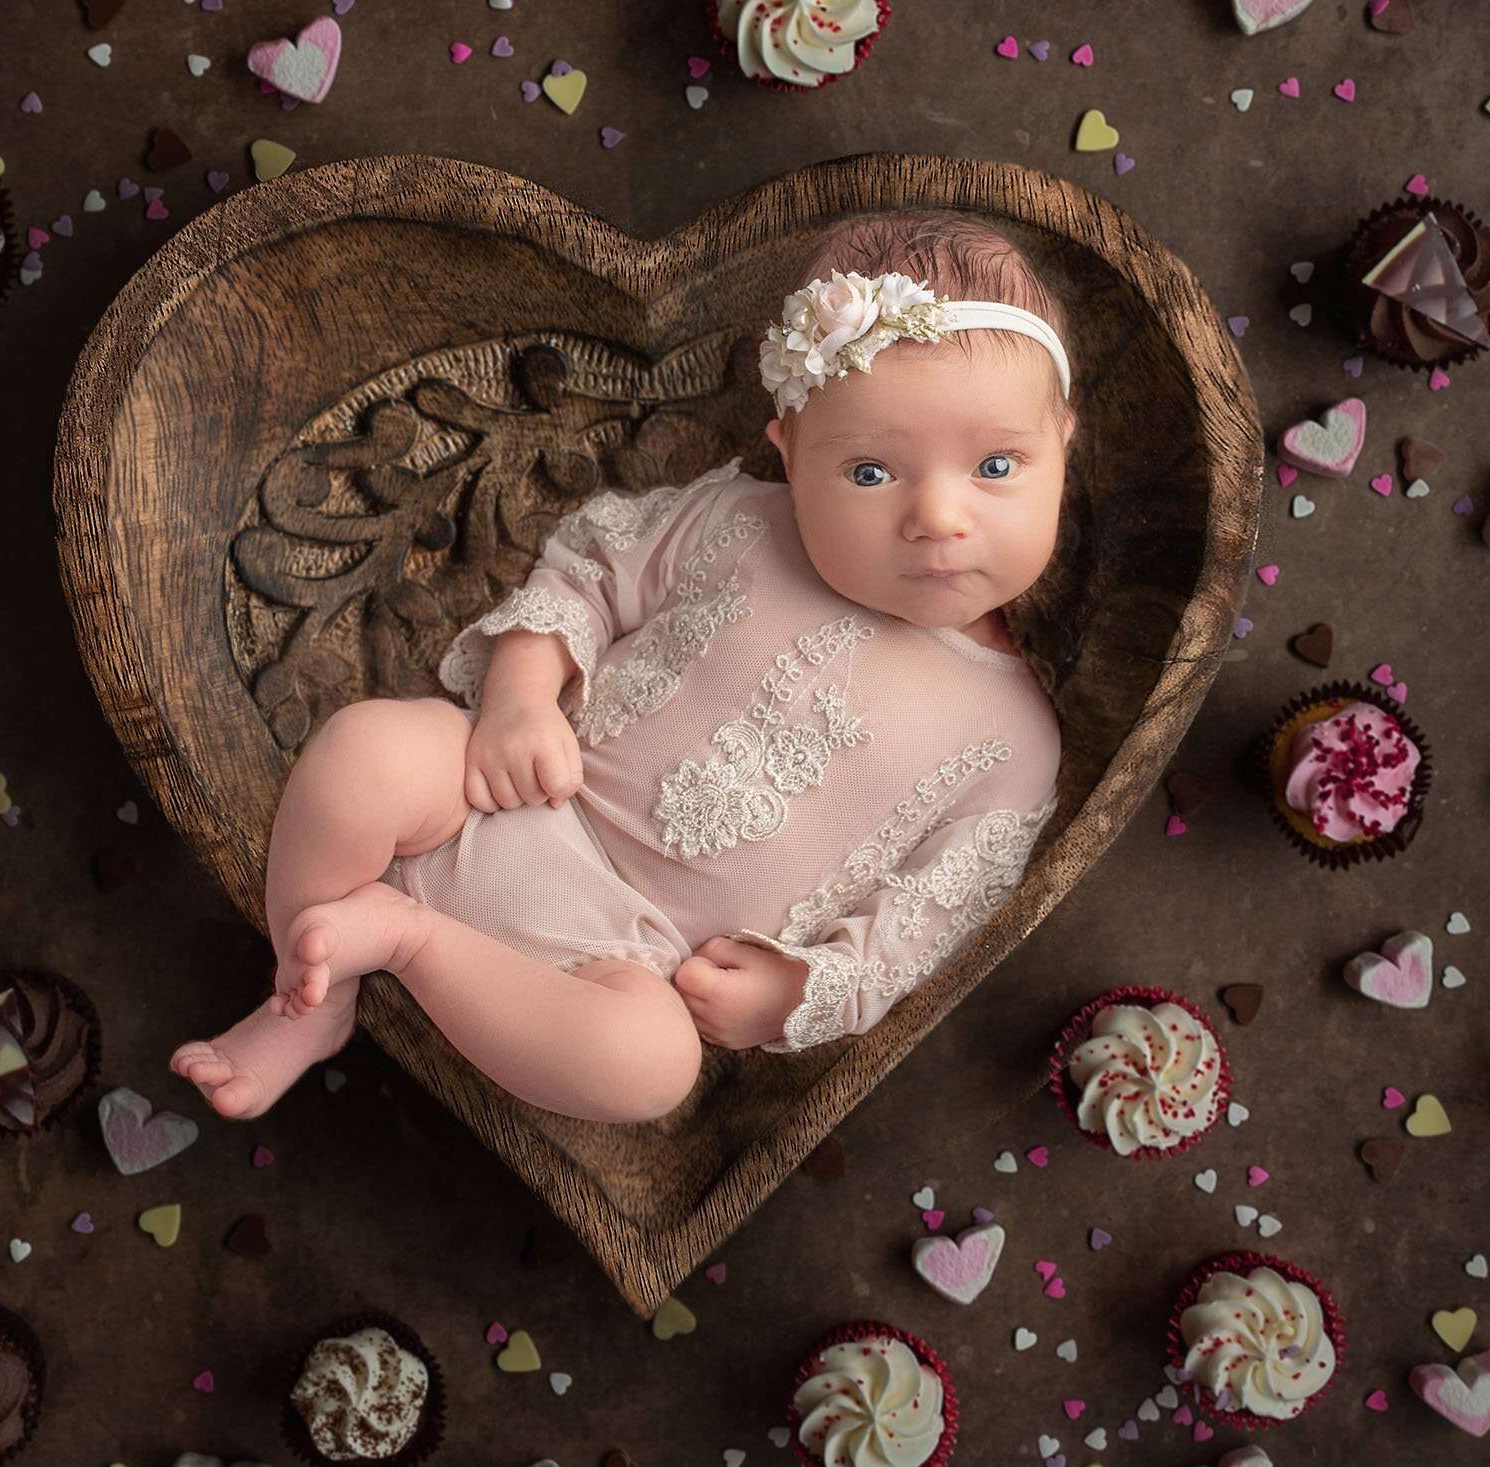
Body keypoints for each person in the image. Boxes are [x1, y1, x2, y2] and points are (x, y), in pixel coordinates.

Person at [171, 209, 1076, 1125]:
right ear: (791, 455)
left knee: (647, 1071)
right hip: (508, 799)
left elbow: (919, 928)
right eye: (873, 473)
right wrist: (521, 696)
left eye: (997, 464)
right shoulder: (744, 522)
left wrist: (799, 988)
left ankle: (404, 940)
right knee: (366, 750)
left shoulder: (1015, 739)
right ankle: (312, 998)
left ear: (1062, 447)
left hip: (628, 961)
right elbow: (587, 571)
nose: (939, 518)